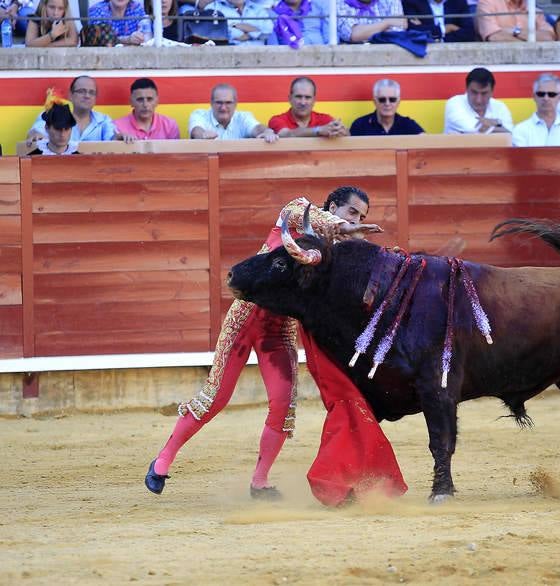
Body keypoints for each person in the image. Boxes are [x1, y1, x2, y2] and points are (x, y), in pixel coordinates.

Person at [145, 187, 406, 506]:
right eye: (352, 212)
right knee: (216, 396)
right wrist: (343, 228)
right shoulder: (299, 210)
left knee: (283, 406)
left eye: (362, 217)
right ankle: (163, 461)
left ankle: (260, 482)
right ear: (334, 206)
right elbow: (306, 215)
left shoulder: (335, 255)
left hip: (279, 330)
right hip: (246, 316)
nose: (357, 220)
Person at [27, 76, 117, 147]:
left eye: (92, 92)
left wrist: (119, 138)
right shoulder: (53, 115)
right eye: (81, 91)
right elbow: (36, 132)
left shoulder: (104, 120)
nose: (87, 96)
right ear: (70, 95)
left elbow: (112, 139)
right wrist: (35, 134)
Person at [511, 73, 560, 147]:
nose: (546, 98)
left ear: (559, 98)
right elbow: (521, 159)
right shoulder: (520, 130)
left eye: (551, 94)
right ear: (534, 96)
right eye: (541, 94)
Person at [189, 83, 278, 142]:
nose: (223, 108)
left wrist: (267, 131)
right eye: (219, 102)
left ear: (235, 104)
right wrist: (202, 135)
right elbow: (196, 131)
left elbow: (257, 128)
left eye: (228, 103)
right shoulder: (199, 115)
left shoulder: (243, 117)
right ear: (211, 103)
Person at [268, 77, 348, 138]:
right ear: (290, 99)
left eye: (307, 97)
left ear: (314, 100)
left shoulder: (325, 119)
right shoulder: (277, 120)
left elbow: (347, 137)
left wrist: (341, 130)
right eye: (299, 97)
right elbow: (286, 135)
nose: (303, 102)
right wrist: (318, 130)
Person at [443, 67, 513, 134]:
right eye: (474, 92)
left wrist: (495, 123)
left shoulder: (500, 106)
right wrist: (498, 124)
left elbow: (511, 135)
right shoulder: (454, 103)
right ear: (466, 89)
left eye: (484, 93)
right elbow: (472, 129)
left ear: (492, 92)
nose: (478, 100)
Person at [350, 79, 425, 136]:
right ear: (374, 101)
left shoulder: (408, 125)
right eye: (382, 99)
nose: (387, 103)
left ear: (398, 102)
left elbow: (426, 143)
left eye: (392, 99)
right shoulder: (360, 125)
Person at [114, 78, 181, 141]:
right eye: (140, 100)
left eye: (149, 99)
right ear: (131, 102)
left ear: (157, 101)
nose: (145, 105)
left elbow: (175, 153)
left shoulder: (170, 125)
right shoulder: (117, 127)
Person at [475, 0, 555, 42]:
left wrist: (515, 32)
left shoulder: (532, 7)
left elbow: (548, 37)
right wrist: (530, 43)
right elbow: (495, 37)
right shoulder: (487, 3)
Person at [336, 0, 407, 44]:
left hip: (387, 53)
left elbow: (397, 31)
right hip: (352, 57)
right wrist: (387, 23)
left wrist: (365, 32)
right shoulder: (339, 2)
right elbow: (353, 34)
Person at [402, 0, 475, 42]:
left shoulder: (458, 2)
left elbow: (469, 33)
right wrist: (446, 28)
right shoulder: (411, 2)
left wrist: (438, 39)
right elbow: (413, 31)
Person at [207, 0, 273, 45]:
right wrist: (235, 26)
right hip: (227, 55)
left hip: (259, 55)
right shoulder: (213, 7)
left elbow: (268, 31)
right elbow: (213, 34)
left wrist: (249, 35)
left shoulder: (258, 9)